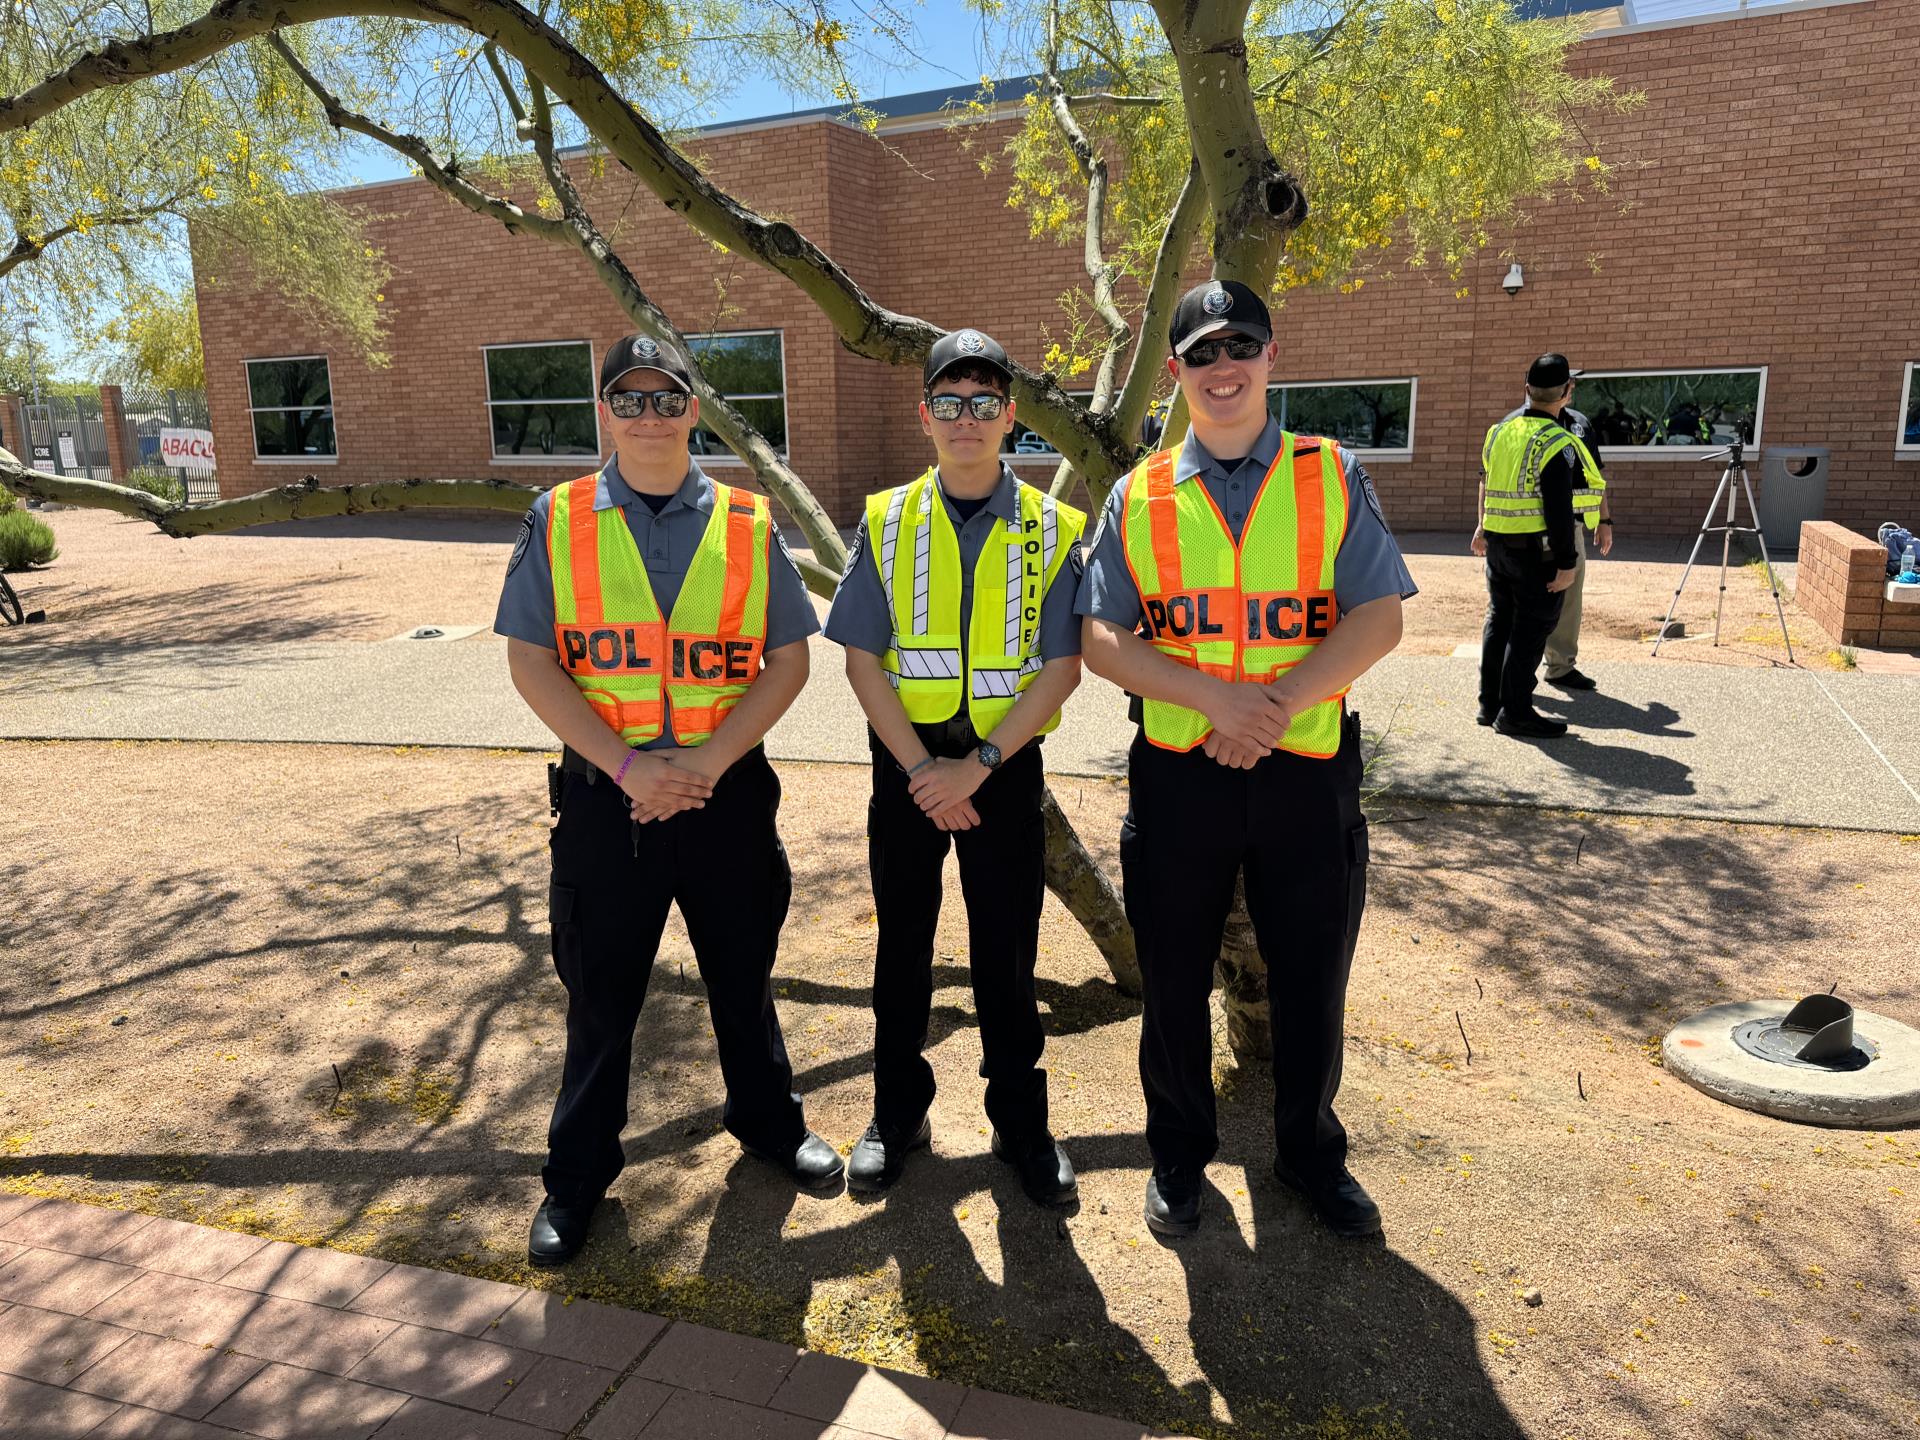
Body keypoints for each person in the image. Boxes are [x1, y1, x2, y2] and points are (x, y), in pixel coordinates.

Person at [494, 332, 843, 1267]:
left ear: (694, 409)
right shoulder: (556, 518)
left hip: (724, 793)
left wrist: (706, 763)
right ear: (605, 412)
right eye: (630, 399)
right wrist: (625, 767)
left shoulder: (743, 521)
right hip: (610, 800)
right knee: (601, 998)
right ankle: (574, 1182)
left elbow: (790, 660)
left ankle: (769, 1126)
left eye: (667, 397)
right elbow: (531, 661)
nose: (649, 415)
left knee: (743, 977)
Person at [1076, 280, 1414, 1239]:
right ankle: (1180, 1157)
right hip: (1182, 774)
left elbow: (1378, 618)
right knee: (1173, 979)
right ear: (1176, 370)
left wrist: (1266, 710)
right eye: (1204, 354)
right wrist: (1214, 701)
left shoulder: (1330, 473)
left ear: (1272, 358)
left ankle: (1310, 1157)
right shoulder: (1137, 492)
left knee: (1313, 977)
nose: (1224, 369)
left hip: (1305, 771)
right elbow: (1103, 641)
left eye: (1243, 349)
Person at [824, 329, 1086, 1207]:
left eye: (984, 402)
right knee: (901, 948)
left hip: (1001, 773)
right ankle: (897, 1114)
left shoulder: (1054, 528)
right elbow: (862, 659)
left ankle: (1022, 1122)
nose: (966, 418)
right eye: (949, 401)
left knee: (1006, 954)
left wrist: (974, 767)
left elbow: (1061, 669)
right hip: (905, 769)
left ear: (1012, 417)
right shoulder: (887, 519)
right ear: (925, 414)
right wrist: (922, 773)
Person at [1472, 353, 1602, 739]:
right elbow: (1559, 510)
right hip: (1536, 553)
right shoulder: (1556, 441)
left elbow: (1489, 483)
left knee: (1500, 622)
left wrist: (1481, 529)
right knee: (1530, 632)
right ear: (1567, 392)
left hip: (1498, 548)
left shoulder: (1498, 432)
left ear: (1527, 389)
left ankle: (1489, 704)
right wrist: (1568, 562)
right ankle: (1516, 712)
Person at [1480, 386, 1615, 692]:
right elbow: (1487, 478)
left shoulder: (1579, 424)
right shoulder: (1511, 425)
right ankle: (1512, 685)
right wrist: (1482, 525)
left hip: (1570, 528)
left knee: (1568, 600)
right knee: (1516, 609)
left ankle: (1560, 665)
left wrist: (1604, 520)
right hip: (1522, 533)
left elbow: (1595, 476)